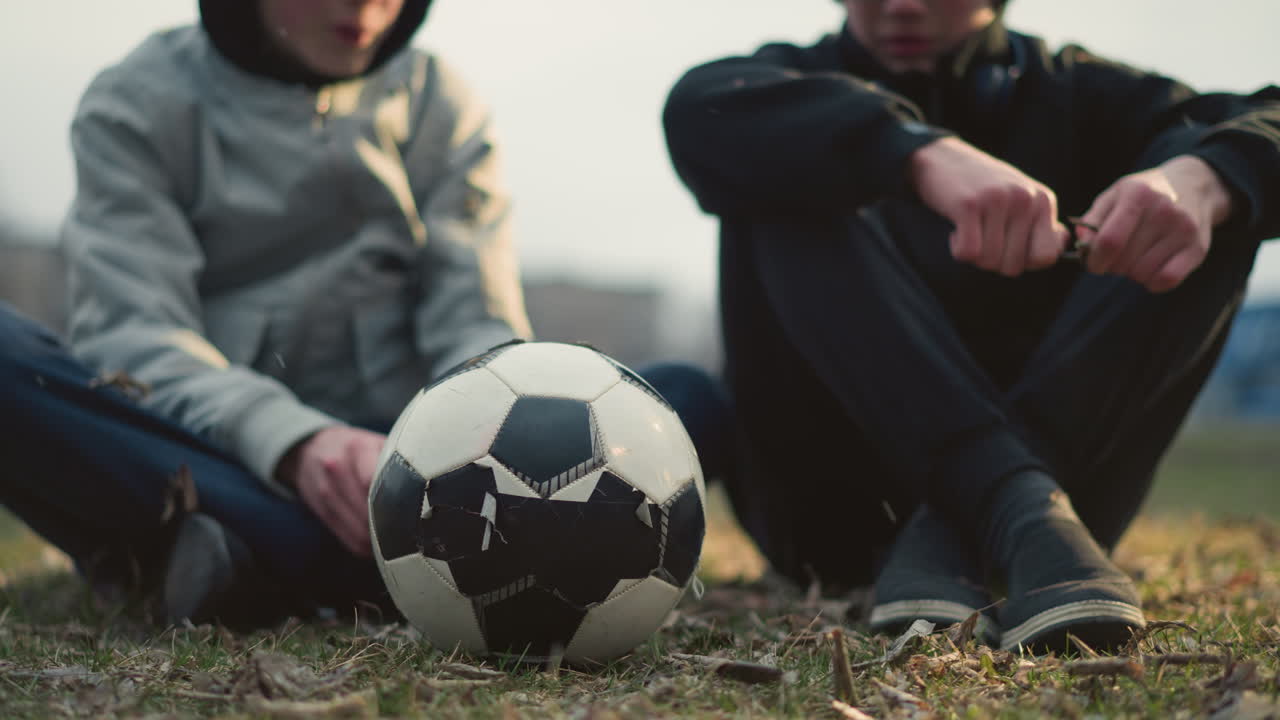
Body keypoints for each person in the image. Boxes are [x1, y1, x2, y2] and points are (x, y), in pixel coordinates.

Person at [0, 0, 727, 629]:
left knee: (678, 402)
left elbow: (476, 329)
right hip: (219, 464)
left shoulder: (440, 99)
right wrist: (298, 443)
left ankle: (258, 562)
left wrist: (466, 458)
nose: (367, 6)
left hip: (435, 492)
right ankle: (317, 560)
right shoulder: (134, 102)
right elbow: (136, 337)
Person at [662, 0, 1280, 653]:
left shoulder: (1080, 93)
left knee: (1213, 166)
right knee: (786, 148)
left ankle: (1001, 514)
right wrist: (916, 154)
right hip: (832, 522)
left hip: (1064, 526)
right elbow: (695, 107)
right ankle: (1011, 504)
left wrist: (1208, 179)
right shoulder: (786, 76)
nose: (902, 4)